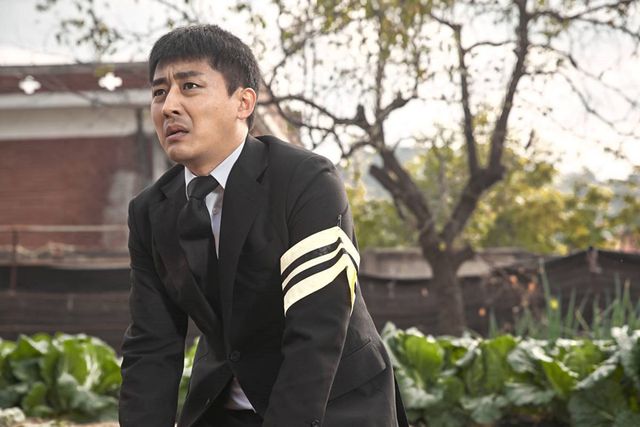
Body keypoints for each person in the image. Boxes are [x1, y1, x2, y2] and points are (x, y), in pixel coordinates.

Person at [118, 24, 408, 427]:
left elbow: (317, 331)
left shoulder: (306, 180)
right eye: (159, 92)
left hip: (333, 404)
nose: (168, 106)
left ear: (243, 102)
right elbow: (152, 345)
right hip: (225, 407)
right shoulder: (150, 211)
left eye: (189, 86)